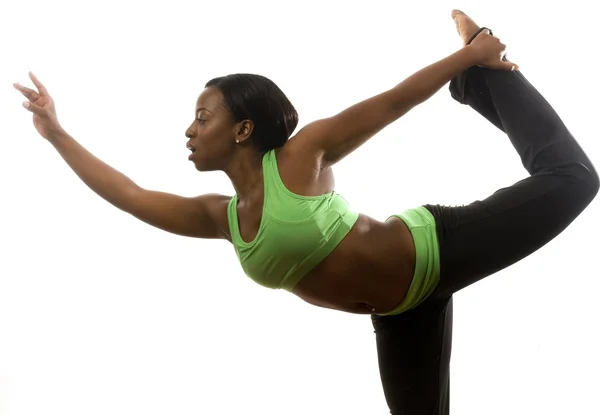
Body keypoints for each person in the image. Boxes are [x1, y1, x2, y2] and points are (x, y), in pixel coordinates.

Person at [14, 9, 598, 415]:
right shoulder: (222, 218)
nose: (189, 130)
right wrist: (56, 133)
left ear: (242, 129)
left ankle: (477, 75)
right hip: (400, 316)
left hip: (435, 247)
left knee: (572, 180)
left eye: (203, 116)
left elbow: (393, 102)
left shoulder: (300, 157)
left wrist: (466, 56)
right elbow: (130, 195)